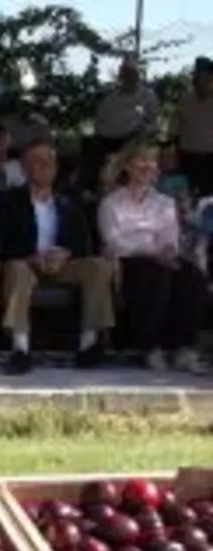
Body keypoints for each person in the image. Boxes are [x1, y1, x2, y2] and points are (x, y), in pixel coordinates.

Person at [0, 138, 115, 376]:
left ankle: (89, 343)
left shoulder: (68, 201)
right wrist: (31, 256)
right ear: (24, 168)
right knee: (16, 268)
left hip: (62, 266)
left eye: (49, 161)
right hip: (27, 265)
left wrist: (66, 253)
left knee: (97, 266)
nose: (45, 166)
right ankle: (20, 349)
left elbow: (83, 243)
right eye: (37, 161)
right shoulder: (7, 201)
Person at [97, 142, 206, 373]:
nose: (148, 166)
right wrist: (149, 249)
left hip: (160, 258)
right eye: (142, 160)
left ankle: (183, 347)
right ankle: (151, 346)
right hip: (128, 261)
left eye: (152, 161)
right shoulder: (111, 203)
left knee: (191, 275)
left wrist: (166, 251)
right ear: (128, 166)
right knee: (154, 275)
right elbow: (114, 242)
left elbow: (170, 237)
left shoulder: (164, 203)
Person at [94, 59, 160, 157]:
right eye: (124, 74)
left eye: (131, 73)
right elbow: (98, 122)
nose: (128, 77)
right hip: (106, 141)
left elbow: (153, 123)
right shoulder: (109, 99)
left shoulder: (147, 96)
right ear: (120, 76)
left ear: (137, 76)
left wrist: (143, 133)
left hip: (133, 141)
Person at [176, 57, 213, 197]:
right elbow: (176, 127)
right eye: (197, 75)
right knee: (186, 200)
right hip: (187, 159)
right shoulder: (185, 100)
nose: (199, 79)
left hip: (211, 160)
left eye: (204, 75)